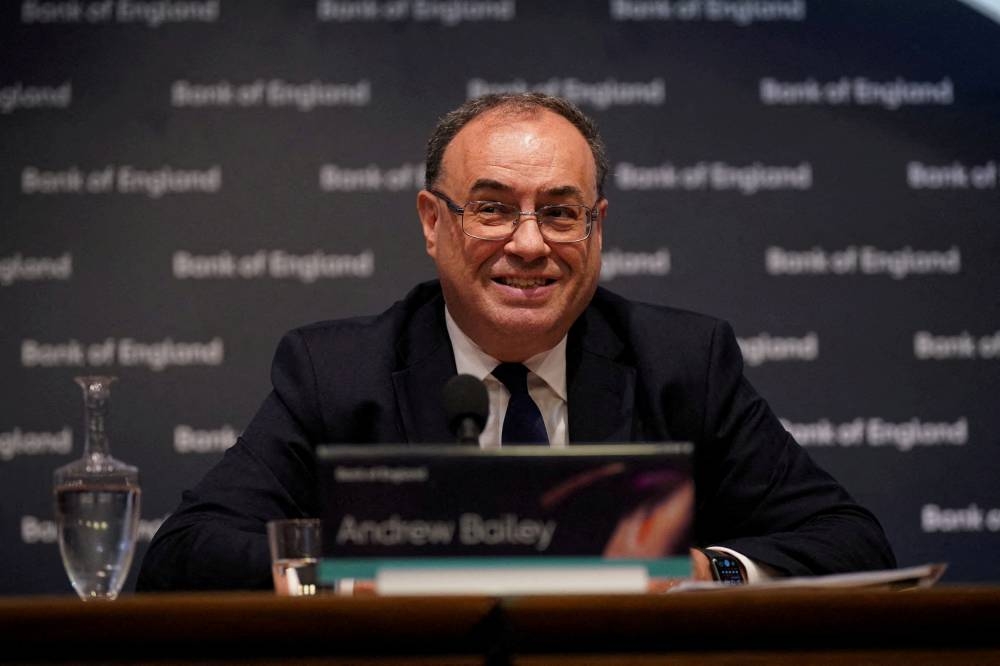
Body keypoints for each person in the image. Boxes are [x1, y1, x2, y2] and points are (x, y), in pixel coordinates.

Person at [137, 93, 895, 591]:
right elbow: (181, 557)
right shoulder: (340, 374)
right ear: (435, 224)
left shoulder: (680, 364)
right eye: (493, 209)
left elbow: (853, 544)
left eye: (561, 214)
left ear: (597, 228)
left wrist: (700, 570)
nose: (529, 244)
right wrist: (353, 573)